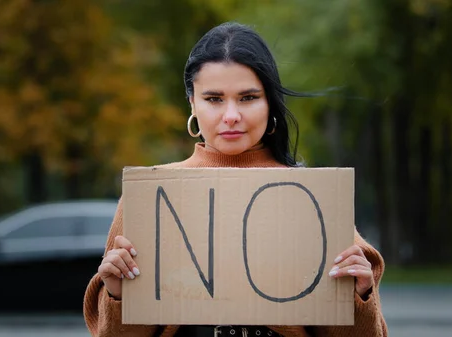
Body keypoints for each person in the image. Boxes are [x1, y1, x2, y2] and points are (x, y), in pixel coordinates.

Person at [83, 22, 388, 337]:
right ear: (192, 103)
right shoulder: (150, 198)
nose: (230, 115)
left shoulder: (310, 198)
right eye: (214, 99)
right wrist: (118, 295)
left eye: (248, 98)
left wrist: (358, 295)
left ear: (269, 103)